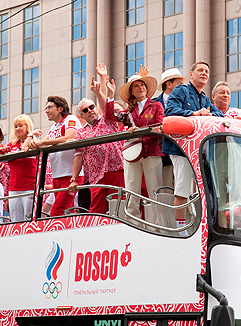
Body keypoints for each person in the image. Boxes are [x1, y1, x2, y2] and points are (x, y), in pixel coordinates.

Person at [163, 61, 224, 235]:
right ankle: (180, 230)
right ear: (191, 75)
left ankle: (197, 227)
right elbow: (170, 110)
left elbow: (220, 114)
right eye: (200, 70)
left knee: (199, 191)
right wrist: (194, 113)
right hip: (180, 149)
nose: (204, 73)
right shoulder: (180, 90)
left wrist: (210, 113)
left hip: (197, 151)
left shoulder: (204, 98)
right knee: (182, 190)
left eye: (207, 71)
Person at [68, 73, 125, 214]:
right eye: (85, 110)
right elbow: (78, 156)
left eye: (92, 107)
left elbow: (107, 109)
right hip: (96, 175)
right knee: (97, 210)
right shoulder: (81, 133)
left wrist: (99, 92)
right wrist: (74, 179)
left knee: (119, 205)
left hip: (116, 169)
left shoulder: (107, 119)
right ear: (81, 115)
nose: (90, 111)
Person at [117, 69, 164, 224]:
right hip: (132, 154)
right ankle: (133, 226)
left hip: (151, 152)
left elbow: (160, 126)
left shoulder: (156, 105)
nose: (140, 87)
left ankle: (159, 229)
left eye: (142, 84)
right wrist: (108, 93)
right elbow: (112, 116)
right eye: (136, 86)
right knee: (131, 192)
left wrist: (139, 131)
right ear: (132, 91)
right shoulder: (127, 111)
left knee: (155, 192)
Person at [26, 96, 82, 216]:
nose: (46, 111)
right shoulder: (53, 128)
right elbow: (40, 145)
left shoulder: (70, 119)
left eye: (49, 107)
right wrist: (31, 138)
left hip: (70, 175)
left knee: (57, 212)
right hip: (57, 176)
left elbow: (69, 137)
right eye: (46, 108)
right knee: (68, 212)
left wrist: (41, 142)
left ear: (60, 108)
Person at [0, 115, 40, 221]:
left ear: (27, 126)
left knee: (29, 219)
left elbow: (24, 149)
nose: (17, 129)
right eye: (16, 126)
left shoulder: (34, 142)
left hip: (29, 186)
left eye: (21, 125)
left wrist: (31, 135)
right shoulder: (12, 145)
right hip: (14, 187)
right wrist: (1, 152)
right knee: (16, 221)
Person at [154, 68, 187, 189]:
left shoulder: (188, 102)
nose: (182, 87)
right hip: (163, 156)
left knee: (184, 190)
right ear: (168, 84)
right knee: (166, 190)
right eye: (179, 83)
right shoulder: (153, 104)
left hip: (183, 151)